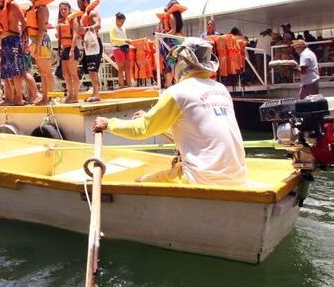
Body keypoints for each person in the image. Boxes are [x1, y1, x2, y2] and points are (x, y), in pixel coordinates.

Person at [92, 37, 246, 185]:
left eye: (175, 60)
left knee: (139, 181)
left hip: (200, 178)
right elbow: (192, 131)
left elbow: (142, 129)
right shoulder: (221, 90)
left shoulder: (177, 92)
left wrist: (109, 124)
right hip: (238, 177)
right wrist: (153, 120)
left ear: (183, 62)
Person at [0, 0, 30, 105]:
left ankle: (19, 98)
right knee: (6, 73)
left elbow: (24, 23)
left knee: (16, 72)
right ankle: (9, 98)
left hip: (14, 40)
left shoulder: (13, 5)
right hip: (4, 42)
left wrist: (25, 42)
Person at [25, 0, 54, 105]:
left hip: (41, 40)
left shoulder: (41, 8)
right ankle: (45, 97)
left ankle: (50, 98)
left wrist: (36, 45)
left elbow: (42, 29)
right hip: (37, 40)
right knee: (42, 72)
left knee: (46, 71)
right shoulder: (36, 9)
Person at [77, 0, 102, 102]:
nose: (78, 6)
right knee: (89, 71)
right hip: (87, 46)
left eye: (79, 3)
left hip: (95, 44)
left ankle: (96, 94)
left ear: (85, 2)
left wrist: (86, 29)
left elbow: (98, 25)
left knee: (93, 70)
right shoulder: (83, 15)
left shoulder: (93, 12)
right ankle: (94, 92)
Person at [57, 2, 81, 103]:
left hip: (72, 49)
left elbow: (75, 35)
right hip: (64, 50)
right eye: (61, 9)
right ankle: (70, 94)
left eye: (65, 9)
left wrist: (72, 50)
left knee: (73, 74)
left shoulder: (73, 20)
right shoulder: (61, 22)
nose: (63, 11)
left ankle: (75, 96)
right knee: (65, 74)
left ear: (69, 9)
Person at [159, 0, 186, 87]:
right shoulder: (180, 17)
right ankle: (179, 83)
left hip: (173, 41)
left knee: (171, 64)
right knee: (179, 63)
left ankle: (171, 86)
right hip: (180, 40)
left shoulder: (170, 15)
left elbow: (173, 30)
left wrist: (164, 35)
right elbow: (180, 31)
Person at [109, 12, 132, 88]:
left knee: (128, 67)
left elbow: (124, 38)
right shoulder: (113, 28)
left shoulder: (123, 28)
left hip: (125, 47)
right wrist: (124, 40)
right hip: (117, 48)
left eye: (123, 22)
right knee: (121, 67)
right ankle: (121, 85)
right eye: (121, 21)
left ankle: (129, 85)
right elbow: (113, 39)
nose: (122, 23)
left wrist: (126, 42)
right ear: (117, 19)